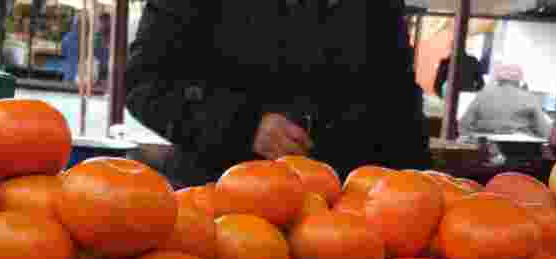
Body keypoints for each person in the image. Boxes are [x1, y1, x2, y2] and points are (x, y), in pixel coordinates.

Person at [125, 0, 431, 188]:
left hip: (348, 214)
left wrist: (419, 184)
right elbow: (146, 81)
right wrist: (243, 125)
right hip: (222, 204)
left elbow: (398, 100)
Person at [459, 64, 552, 139]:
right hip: (519, 149)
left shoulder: (482, 96)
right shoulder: (529, 98)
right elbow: (544, 131)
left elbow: (464, 125)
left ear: (498, 78)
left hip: (487, 148)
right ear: (519, 80)